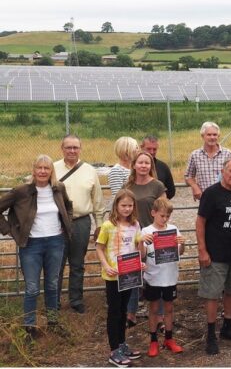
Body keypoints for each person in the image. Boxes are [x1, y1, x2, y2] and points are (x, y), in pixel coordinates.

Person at [0, 155, 72, 336]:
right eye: (39, 168)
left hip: (56, 242)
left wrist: (66, 224)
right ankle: (29, 327)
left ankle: (53, 322)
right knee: (32, 288)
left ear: (51, 171)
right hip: (31, 244)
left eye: (46, 168)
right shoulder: (21, 191)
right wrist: (9, 230)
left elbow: (68, 207)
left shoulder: (58, 188)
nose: (42, 171)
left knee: (52, 284)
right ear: (33, 170)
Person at [196, 158, 231, 355]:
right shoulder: (211, 193)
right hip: (215, 253)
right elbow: (200, 221)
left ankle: (227, 326)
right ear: (223, 171)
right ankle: (211, 333)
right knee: (212, 294)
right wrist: (202, 250)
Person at [55, 134, 105, 314]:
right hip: (58, 222)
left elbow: (97, 200)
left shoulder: (90, 170)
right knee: (56, 264)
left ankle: (76, 299)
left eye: (75, 147)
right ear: (62, 148)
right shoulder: (53, 169)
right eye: (68, 147)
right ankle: (54, 301)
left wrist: (99, 224)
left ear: (80, 149)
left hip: (81, 221)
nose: (72, 151)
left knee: (77, 263)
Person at [95, 189, 145, 367]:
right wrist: (106, 265)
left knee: (124, 310)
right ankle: (113, 350)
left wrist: (140, 262)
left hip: (129, 276)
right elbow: (99, 247)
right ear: (116, 205)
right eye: (123, 205)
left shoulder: (135, 224)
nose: (127, 209)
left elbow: (138, 249)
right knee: (114, 312)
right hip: (112, 276)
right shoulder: (108, 225)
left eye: (130, 205)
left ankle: (122, 344)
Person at [124, 151, 167, 327]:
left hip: (153, 236)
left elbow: (164, 210)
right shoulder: (127, 186)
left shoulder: (157, 186)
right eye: (140, 163)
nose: (143, 166)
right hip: (133, 236)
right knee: (134, 277)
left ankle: (160, 316)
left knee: (157, 277)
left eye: (147, 163)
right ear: (134, 165)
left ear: (151, 166)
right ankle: (131, 314)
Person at [141, 198, 185, 357]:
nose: (165, 219)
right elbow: (142, 255)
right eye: (162, 216)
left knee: (169, 308)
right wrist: (141, 243)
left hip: (170, 276)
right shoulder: (146, 231)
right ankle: (153, 341)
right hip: (153, 277)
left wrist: (182, 243)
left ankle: (169, 338)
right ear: (153, 213)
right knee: (153, 309)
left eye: (167, 216)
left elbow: (180, 252)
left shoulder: (173, 229)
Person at [185, 121, 231, 201]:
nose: (212, 137)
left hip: (225, 198)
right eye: (209, 135)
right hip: (205, 199)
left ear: (218, 136)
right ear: (202, 136)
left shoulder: (228, 154)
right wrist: (195, 187)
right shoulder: (195, 155)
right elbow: (188, 176)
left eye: (215, 135)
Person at [141, 135, 176, 200]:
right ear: (141, 147)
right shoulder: (134, 166)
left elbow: (171, 191)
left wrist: (160, 201)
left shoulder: (163, 167)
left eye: (154, 149)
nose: (152, 152)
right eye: (148, 149)